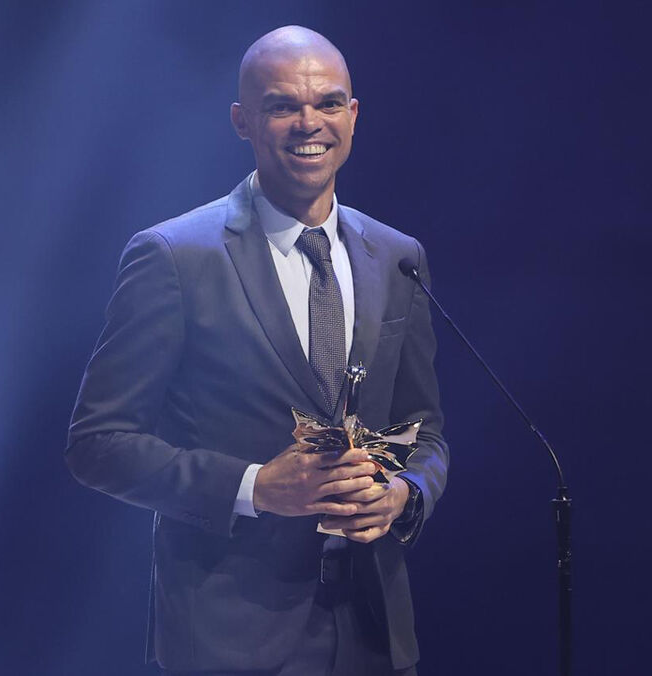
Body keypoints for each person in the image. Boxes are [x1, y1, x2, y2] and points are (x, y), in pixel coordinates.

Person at [66, 25, 449, 675]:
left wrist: (403, 495)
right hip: (231, 641)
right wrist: (255, 487)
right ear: (242, 120)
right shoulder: (174, 257)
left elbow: (425, 431)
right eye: (282, 105)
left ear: (353, 116)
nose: (310, 123)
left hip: (374, 636)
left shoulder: (397, 257)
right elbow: (97, 444)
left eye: (328, 103)